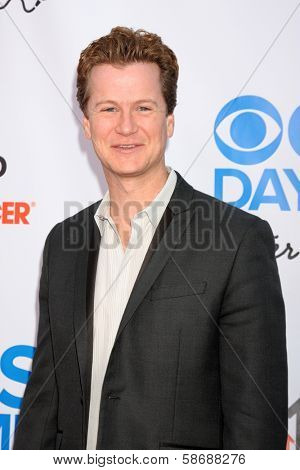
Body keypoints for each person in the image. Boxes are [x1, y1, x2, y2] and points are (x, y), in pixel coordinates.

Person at [13, 26, 288, 450]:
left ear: (169, 119)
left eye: (143, 107)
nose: (126, 127)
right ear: (86, 124)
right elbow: (44, 403)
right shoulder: (62, 244)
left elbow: (256, 425)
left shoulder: (236, 241)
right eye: (108, 109)